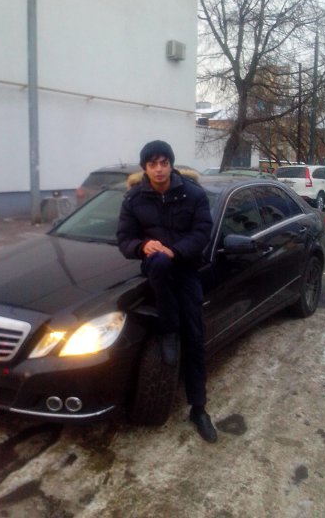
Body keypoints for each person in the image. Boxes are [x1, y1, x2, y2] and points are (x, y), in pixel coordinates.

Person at [116, 140, 217, 443]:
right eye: (153, 164)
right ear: (145, 168)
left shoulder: (193, 194)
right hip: (156, 268)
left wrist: (177, 251)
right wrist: (142, 245)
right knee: (159, 261)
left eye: (164, 163)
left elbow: (203, 232)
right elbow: (124, 238)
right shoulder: (134, 198)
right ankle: (169, 329)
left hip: (185, 267)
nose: (159, 169)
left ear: (171, 165)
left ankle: (199, 408)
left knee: (195, 336)